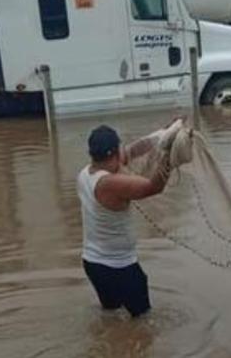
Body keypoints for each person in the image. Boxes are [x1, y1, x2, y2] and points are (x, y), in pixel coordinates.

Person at [76, 120, 182, 317]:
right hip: (120, 267)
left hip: (93, 264)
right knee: (143, 321)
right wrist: (169, 156)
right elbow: (153, 187)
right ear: (114, 152)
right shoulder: (110, 183)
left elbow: (133, 150)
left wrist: (164, 134)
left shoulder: (85, 173)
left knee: (112, 317)